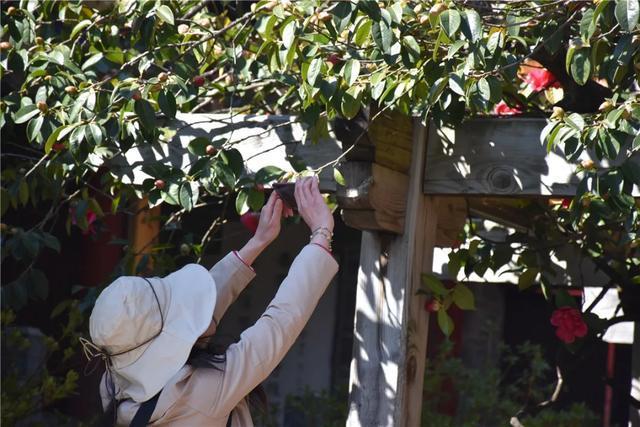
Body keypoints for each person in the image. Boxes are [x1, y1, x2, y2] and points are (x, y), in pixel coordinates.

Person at [83, 177, 338, 426]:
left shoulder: (114, 386)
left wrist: (257, 243)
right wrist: (321, 233)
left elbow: (194, 310)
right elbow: (278, 325)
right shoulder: (202, 395)